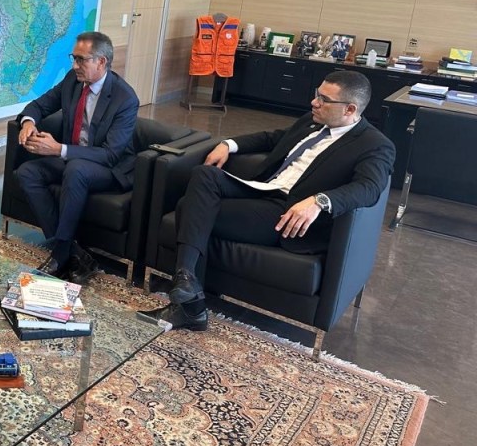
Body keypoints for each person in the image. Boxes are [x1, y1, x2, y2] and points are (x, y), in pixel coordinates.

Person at [146, 70, 395, 331]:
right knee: (205, 174)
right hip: (262, 188)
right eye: (317, 94)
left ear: (350, 109)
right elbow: (272, 138)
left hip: (286, 212)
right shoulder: (312, 122)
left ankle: (190, 303)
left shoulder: (374, 145)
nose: (314, 102)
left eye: (324, 99)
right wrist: (228, 144)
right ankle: (186, 280)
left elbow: (370, 187)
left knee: (188, 207)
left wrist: (319, 200)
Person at [15, 31, 140, 283]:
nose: (74, 66)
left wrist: (58, 149)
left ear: (101, 62)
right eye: (74, 58)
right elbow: (39, 105)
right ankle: (71, 251)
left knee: (77, 169)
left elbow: (110, 154)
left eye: (81, 60)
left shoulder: (125, 99)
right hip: (72, 159)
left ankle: (59, 254)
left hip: (109, 168)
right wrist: (28, 122)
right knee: (27, 172)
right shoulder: (73, 80)